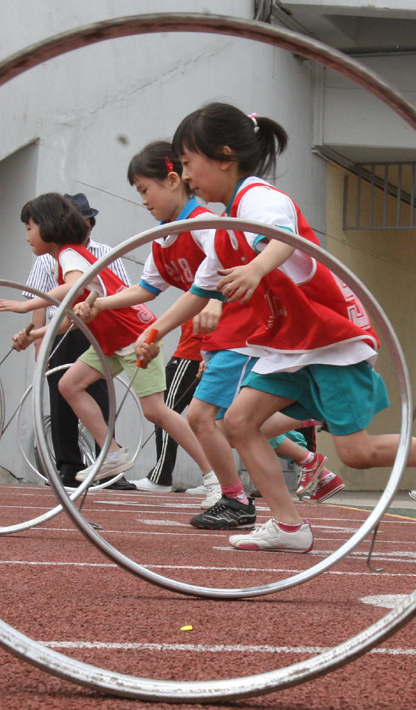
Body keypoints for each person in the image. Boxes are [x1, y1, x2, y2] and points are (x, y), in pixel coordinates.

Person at [135, 102, 412, 551]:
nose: (185, 177)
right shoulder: (224, 224)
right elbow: (199, 291)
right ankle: (288, 526)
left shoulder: (259, 198)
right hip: (286, 345)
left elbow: (282, 239)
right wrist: (153, 332)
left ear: (223, 156)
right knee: (238, 421)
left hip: (328, 338)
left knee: (359, 453)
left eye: (188, 164)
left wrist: (256, 269)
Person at [81, 141, 334, 522]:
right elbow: (168, 288)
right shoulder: (171, 235)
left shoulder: (220, 221)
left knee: (211, 417)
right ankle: (274, 499)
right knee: (232, 420)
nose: (187, 176)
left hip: (246, 330)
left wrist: (210, 304)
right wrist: (119, 313)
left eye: (145, 189)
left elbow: (234, 268)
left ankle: (240, 494)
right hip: (221, 334)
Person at [0, 192, 213, 488]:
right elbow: (71, 320)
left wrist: (27, 306)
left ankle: (214, 476)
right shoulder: (66, 258)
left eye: (30, 227)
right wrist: (34, 334)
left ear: (47, 226)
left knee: (155, 411)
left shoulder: (69, 255)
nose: (27, 235)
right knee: (68, 384)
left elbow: (73, 286)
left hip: (135, 338)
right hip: (108, 342)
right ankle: (111, 453)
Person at [22, 192, 135, 491]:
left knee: (99, 393)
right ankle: (69, 466)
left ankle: (107, 463)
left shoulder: (100, 252)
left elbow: (117, 293)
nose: (78, 226)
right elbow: (40, 299)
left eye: (83, 220)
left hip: (96, 331)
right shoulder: (50, 256)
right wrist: (38, 342)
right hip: (64, 329)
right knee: (62, 394)